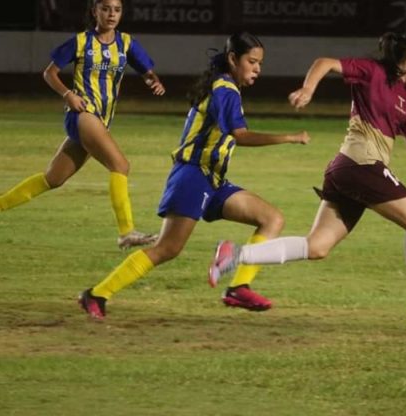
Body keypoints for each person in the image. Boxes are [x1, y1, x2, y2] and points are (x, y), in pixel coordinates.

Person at [208, 30, 406, 325]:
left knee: (317, 247)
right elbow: (325, 62)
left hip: (347, 170)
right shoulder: (373, 71)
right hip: (361, 165)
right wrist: (308, 89)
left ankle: (235, 254)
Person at [78, 32, 310, 320]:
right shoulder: (225, 90)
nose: (257, 69)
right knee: (167, 249)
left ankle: (238, 287)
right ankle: (97, 294)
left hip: (212, 180)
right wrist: (288, 137)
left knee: (271, 218)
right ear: (233, 59)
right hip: (192, 177)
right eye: (252, 62)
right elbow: (240, 135)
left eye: (260, 63)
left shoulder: (227, 88)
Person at [0, 0, 165, 249]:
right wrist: (68, 95)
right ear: (94, 12)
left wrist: (152, 81)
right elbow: (49, 73)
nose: (112, 14)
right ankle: (126, 232)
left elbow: (147, 71)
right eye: (106, 9)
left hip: (101, 120)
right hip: (83, 114)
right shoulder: (80, 42)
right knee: (120, 166)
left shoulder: (126, 43)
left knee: (53, 179)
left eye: (117, 10)